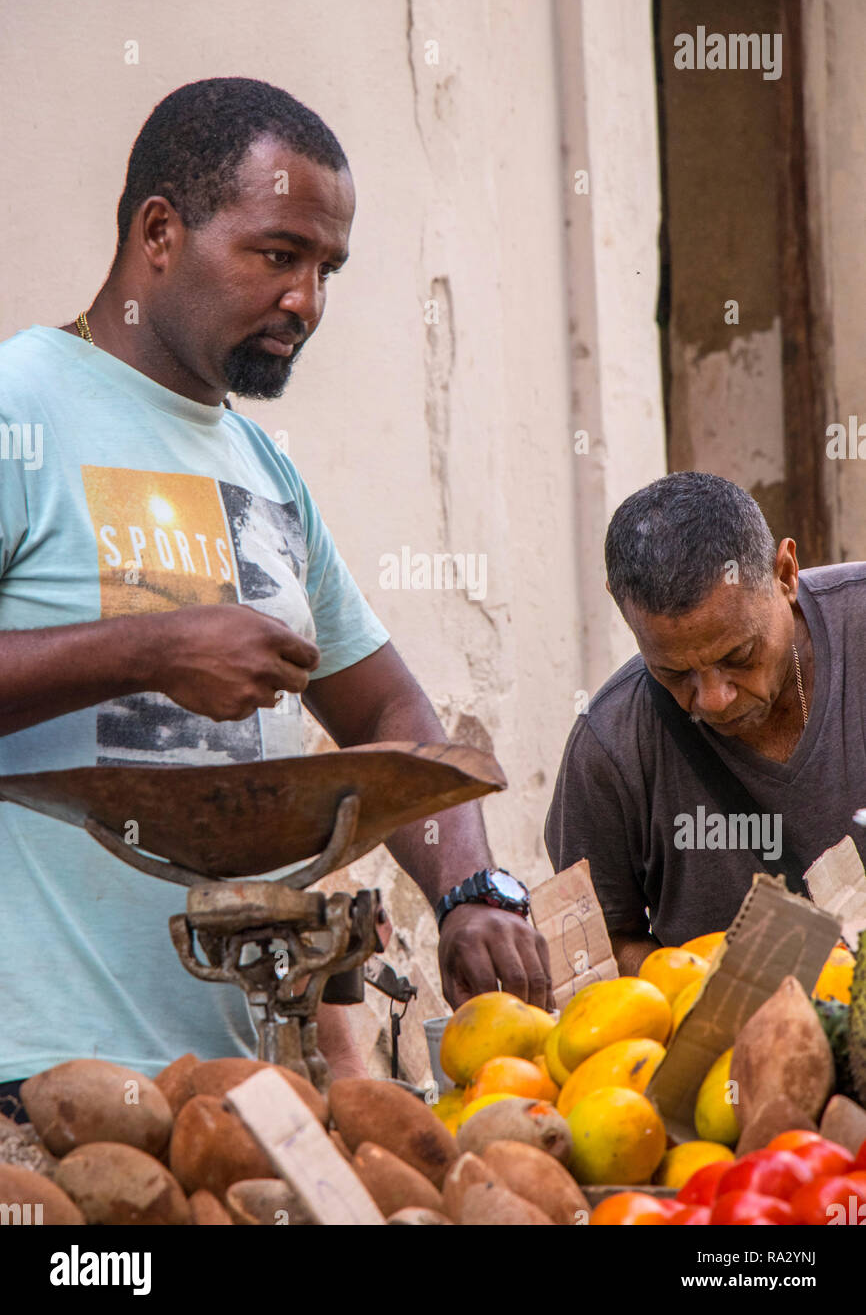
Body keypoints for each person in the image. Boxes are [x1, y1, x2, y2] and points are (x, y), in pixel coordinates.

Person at [0, 77, 551, 1105]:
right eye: (276, 253)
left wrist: (468, 888)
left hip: (237, 1089)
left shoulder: (264, 469)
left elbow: (385, 710)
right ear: (160, 233)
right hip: (32, 1083)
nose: (307, 301)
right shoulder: (20, 403)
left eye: (326, 267)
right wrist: (153, 650)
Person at [545, 471, 866, 974]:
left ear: (785, 574)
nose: (714, 699)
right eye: (675, 673)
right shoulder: (609, 748)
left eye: (739, 655)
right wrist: (698, 995)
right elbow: (590, 947)